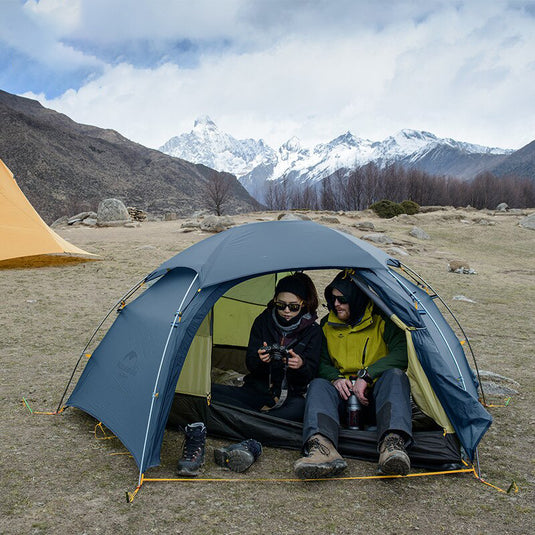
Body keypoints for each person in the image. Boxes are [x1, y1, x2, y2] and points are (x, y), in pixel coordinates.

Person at [294, 270, 412, 479]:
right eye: (333, 299)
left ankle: (392, 445)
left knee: (395, 376)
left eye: (343, 299)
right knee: (319, 384)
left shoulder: (382, 320)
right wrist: (335, 378)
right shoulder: (327, 326)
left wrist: (367, 376)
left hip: (376, 399)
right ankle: (322, 448)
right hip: (343, 400)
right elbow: (320, 363)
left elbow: (402, 354)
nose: (336, 304)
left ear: (357, 298)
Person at [211, 272, 322, 422]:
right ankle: (263, 420)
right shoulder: (263, 321)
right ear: (275, 299)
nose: (287, 311)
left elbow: (311, 374)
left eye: (293, 306)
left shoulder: (313, 331)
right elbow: (250, 364)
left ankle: (250, 419)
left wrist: (301, 365)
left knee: (301, 408)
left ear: (303, 303)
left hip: (291, 395)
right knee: (210, 393)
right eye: (281, 305)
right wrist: (260, 360)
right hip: (258, 389)